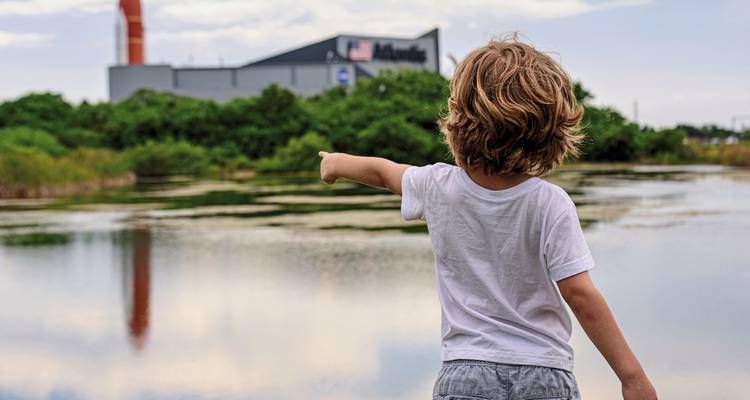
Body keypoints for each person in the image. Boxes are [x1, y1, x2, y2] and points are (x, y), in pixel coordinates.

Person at [318, 36, 656, 400]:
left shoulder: (438, 185)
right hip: (543, 374)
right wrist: (631, 377)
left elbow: (383, 172)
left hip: (465, 373)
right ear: (552, 131)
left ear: (457, 118)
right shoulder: (550, 202)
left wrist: (335, 163)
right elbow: (580, 295)